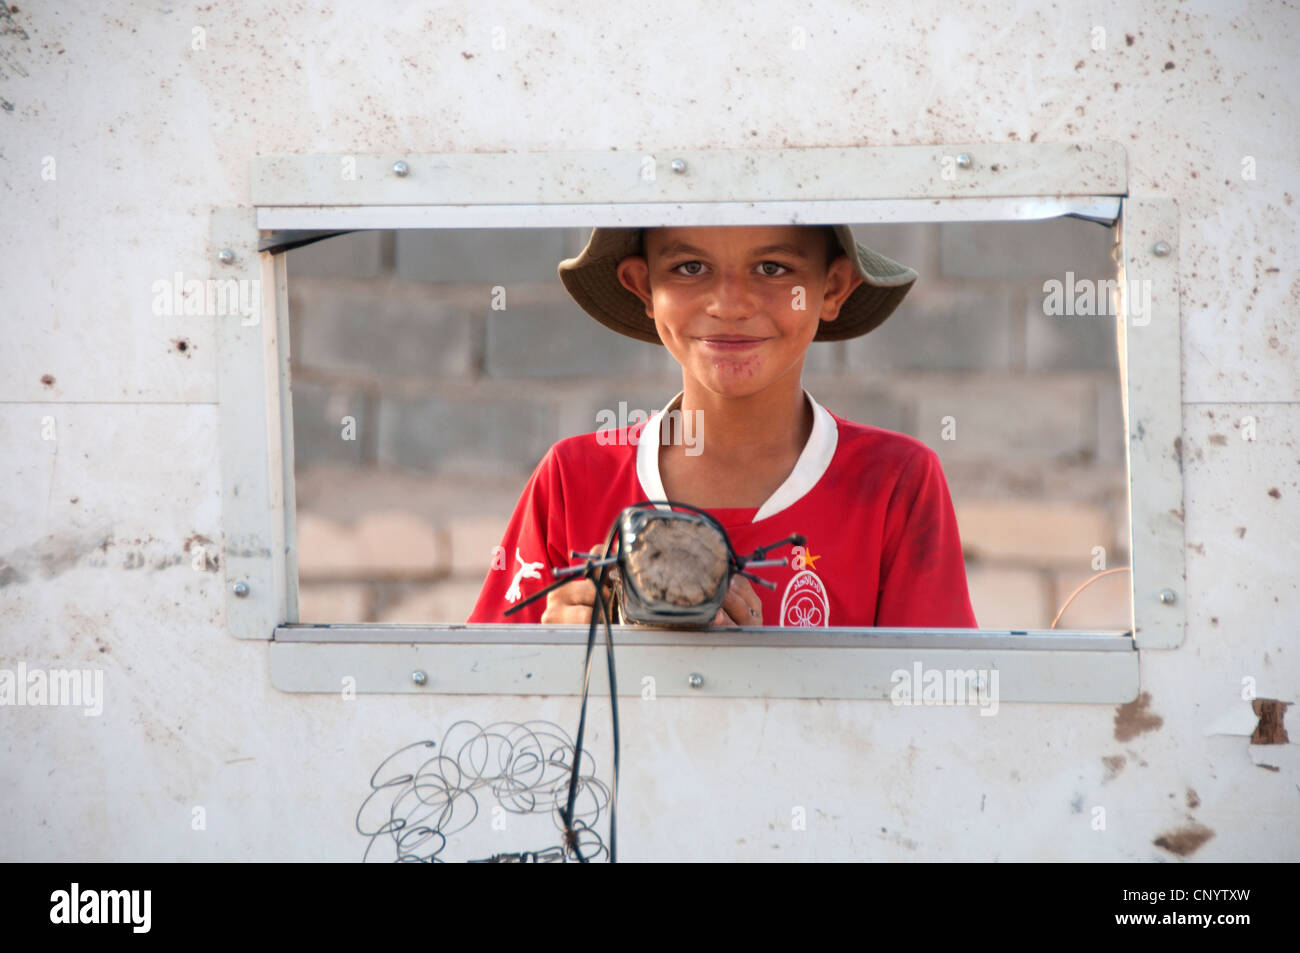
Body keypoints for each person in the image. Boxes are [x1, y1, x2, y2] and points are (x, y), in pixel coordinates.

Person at [465, 224, 978, 629]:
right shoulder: (573, 481)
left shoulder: (895, 483)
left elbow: (936, 725)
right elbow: (487, 717)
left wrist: (754, 671)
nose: (729, 305)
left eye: (772, 268)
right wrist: (553, 654)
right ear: (644, 287)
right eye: (690, 267)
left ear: (833, 286)